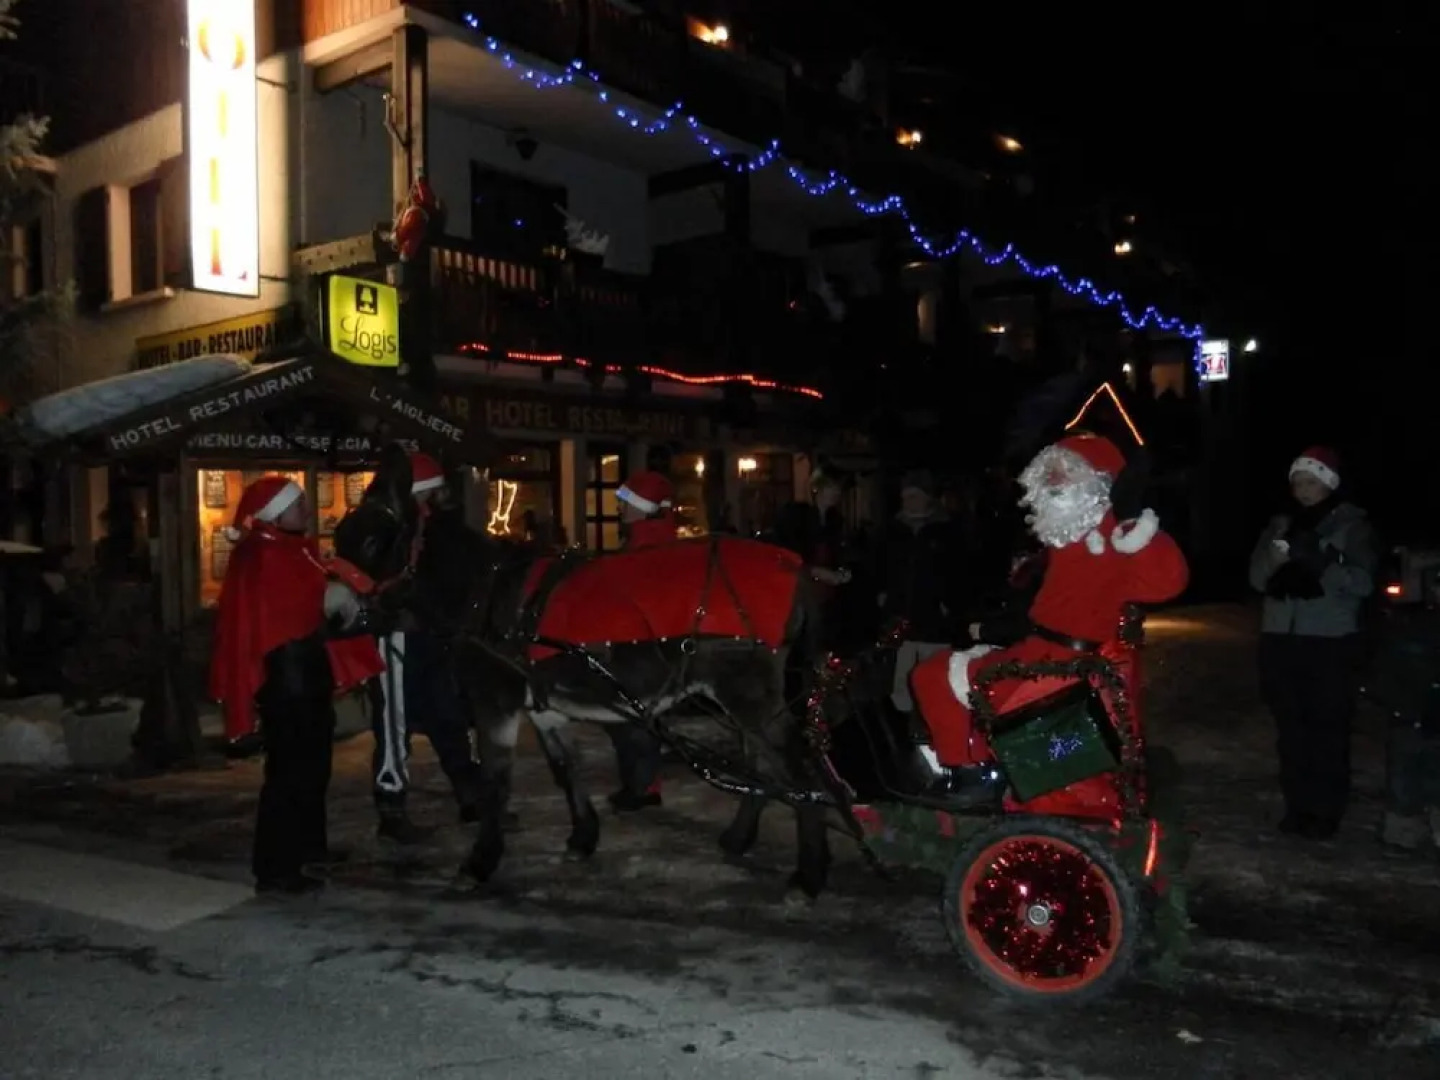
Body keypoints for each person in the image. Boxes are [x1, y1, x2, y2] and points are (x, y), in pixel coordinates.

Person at [909, 433, 1189, 795]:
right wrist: (991, 622)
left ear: (1097, 483)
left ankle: (970, 774)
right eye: (1049, 472)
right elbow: (1044, 607)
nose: (1053, 481)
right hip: (1043, 652)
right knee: (946, 668)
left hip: (1058, 668)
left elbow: (1168, 580)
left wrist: (1136, 524)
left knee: (933, 675)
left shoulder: (1111, 538)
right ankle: (976, 767)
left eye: (1065, 472)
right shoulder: (1064, 538)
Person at [209, 475, 383, 894]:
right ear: (275, 512)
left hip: (304, 675)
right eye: (298, 502)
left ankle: (308, 848)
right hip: (288, 680)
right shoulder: (263, 554)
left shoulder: (288, 550)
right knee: (290, 773)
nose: (306, 507)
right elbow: (289, 611)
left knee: (314, 767)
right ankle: (275, 867)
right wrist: (332, 595)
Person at [1249, 447, 1379, 840]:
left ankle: (1325, 811)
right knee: (1291, 729)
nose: (1303, 490)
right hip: (1281, 639)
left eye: (1311, 482)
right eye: (1298, 483)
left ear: (1329, 484)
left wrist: (1326, 563)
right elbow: (1257, 580)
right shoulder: (1279, 525)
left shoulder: (1353, 526)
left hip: (1328, 642)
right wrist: (1275, 558)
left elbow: (1364, 583)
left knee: (1327, 729)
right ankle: (1297, 806)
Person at [369, 452, 487, 843]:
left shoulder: (431, 529)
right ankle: (392, 804)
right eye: (434, 492)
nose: (442, 498)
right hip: (401, 636)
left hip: (430, 635)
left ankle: (470, 792)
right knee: (395, 724)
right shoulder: (391, 528)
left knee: (447, 716)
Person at [601, 469, 678, 811]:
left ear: (643, 507)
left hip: (642, 645)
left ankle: (644, 787)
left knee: (634, 719)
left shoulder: (649, 544)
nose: (620, 509)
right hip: (634, 641)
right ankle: (637, 782)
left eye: (626, 503)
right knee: (627, 717)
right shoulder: (642, 538)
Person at [1366, 571, 1440, 855]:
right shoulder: (1410, 625)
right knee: (1404, 777)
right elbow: (1388, 669)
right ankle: (1400, 835)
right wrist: (1398, 704)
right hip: (1409, 713)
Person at [877, 469, 953, 716]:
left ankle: (936, 715)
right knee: (902, 676)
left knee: (935, 671)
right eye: (905, 496)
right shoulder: (894, 530)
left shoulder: (945, 530)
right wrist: (883, 594)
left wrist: (949, 601)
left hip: (935, 616)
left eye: (914, 495)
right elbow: (881, 565)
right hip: (901, 614)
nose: (909, 501)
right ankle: (905, 720)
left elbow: (959, 569)